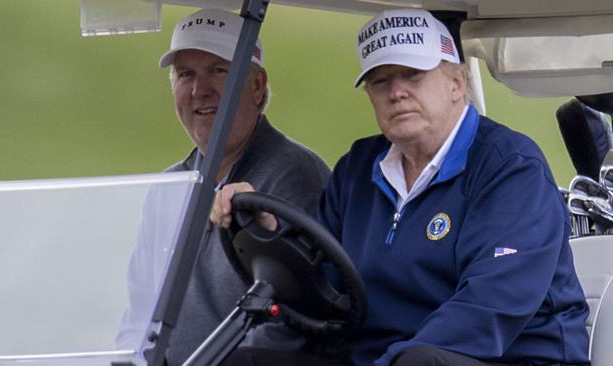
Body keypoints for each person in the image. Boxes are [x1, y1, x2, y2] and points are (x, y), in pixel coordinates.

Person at [212, 8, 590, 366]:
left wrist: (390, 361)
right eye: (380, 81)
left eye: (413, 75)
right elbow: (323, 285)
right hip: (393, 354)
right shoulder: (358, 168)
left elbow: (491, 306)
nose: (397, 92)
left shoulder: (510, 168)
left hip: (507, 355)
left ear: (457, 83)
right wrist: (270, 232)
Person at [115, 8, 331, 365]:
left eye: (218, 71)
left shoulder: (295, 176)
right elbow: (139, 314)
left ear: (257, 85)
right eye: (186, 74)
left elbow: (297, 321)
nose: (200, 90)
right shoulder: (169, 187)